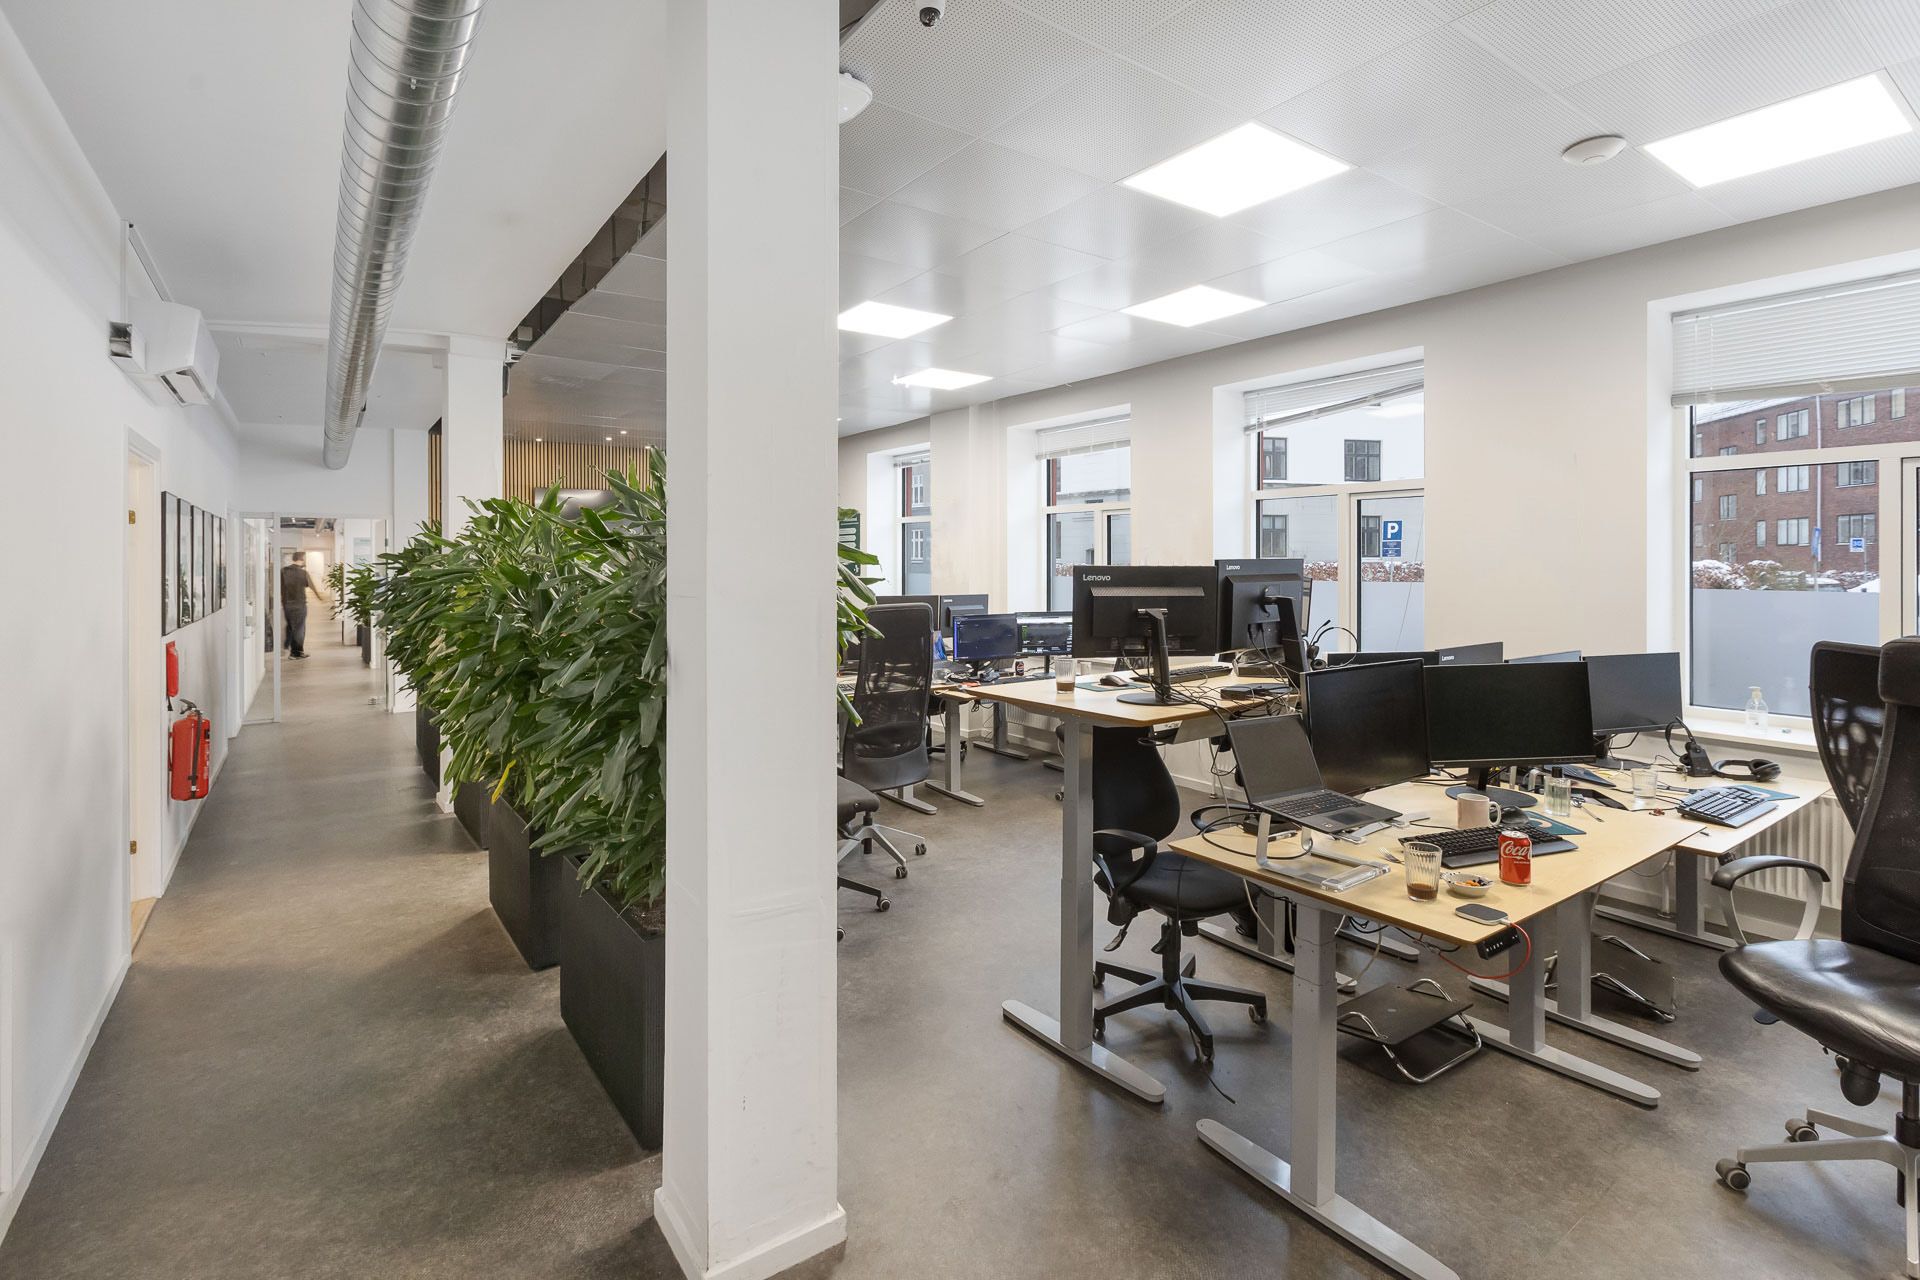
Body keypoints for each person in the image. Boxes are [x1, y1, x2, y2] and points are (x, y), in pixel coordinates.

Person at [280, 553, 324, 660]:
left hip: (287, 604)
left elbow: (280, 587)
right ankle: (295, 653)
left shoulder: (283, 571)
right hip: (299, 604)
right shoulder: (303, 573)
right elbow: (312, 586)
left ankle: (288, 647)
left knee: (291, 626)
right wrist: (320, 597)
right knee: (299, 629)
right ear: (302, 559)